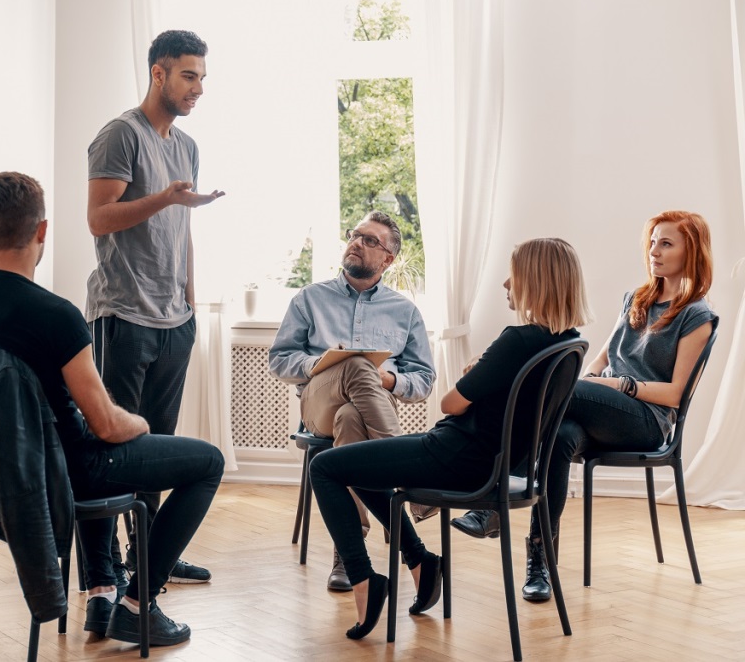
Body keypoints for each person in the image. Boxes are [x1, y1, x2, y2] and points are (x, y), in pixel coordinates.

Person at [0, 172, 225, 646]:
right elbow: (105, 422)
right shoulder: (57, 315)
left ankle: (103, 587)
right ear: (42, 231)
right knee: (207, 461)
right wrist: (140, 421)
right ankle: (137, 604)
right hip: (67, 470)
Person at [310, 237, 591, 640]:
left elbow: (450, 403)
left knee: (325, 467)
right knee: (357, 467)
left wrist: (475, 371)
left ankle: (364, 580)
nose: (507, 284)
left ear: (535, 280)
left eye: (514, 275)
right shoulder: (569, 343)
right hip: (488, 462)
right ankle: (421, 562)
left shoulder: (517, 340)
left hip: (455, 457)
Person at [451, 210, 716, 603]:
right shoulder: (636, 299)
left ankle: (491, 487)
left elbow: (675, 394)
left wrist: (618, 384)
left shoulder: (696, 314)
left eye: (666, 243)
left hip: (646, 421)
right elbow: (598, 361)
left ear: (690, 251)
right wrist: (594, 379)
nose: (653, 251)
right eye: (652, 241)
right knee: (559, 436)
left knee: (546, 385)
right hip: (599, 408)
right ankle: (541, 560)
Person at [85, 29, 225, 585]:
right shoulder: (120, 135)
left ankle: (148, 556)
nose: (198, 89)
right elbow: (99, 218)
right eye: (189, 76)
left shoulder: (187, 147)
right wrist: (164, 196)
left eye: (202, 78)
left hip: (174, 321)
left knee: (158, 449)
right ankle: (104, 573)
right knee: (113, 447)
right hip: (123, 316)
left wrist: (189, 302)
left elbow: (180, 227)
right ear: (159, 73)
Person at [269, 210, 436, 591]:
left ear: (387, 260)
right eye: (355, 235)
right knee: (355, 365)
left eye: (370, 240)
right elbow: (279, 360)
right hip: (317, 403)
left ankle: (350, 550)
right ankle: (412, 476)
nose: (357, 243)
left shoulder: (404, 310)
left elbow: (424, 379)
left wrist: (388, 378)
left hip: (369, 410)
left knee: (350, 419)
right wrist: (325, 363)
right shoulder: (310, 297)